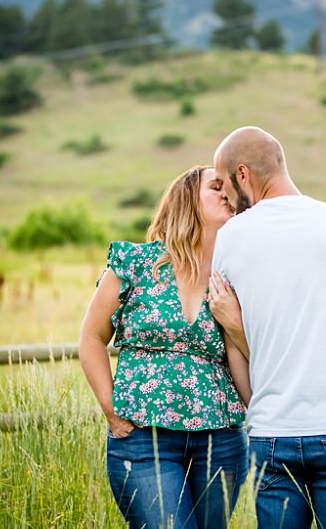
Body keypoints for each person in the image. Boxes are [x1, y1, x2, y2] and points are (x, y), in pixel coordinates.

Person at [208, 126, 326, 529]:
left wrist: (259, 410)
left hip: (271, 432)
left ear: (245, 175)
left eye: (223, 184)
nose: (223, 197)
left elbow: (233, 342)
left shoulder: (230, 238)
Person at [78, 165, 250, 529]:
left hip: (220, 442)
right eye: (215, 187)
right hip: (143, 439)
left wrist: (234, 323)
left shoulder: (236, 277)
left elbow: (253, 355)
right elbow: (91, 337)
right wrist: (111, 409)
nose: (226, 195)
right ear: (187, 199)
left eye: (230, 190)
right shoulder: (135, 264)